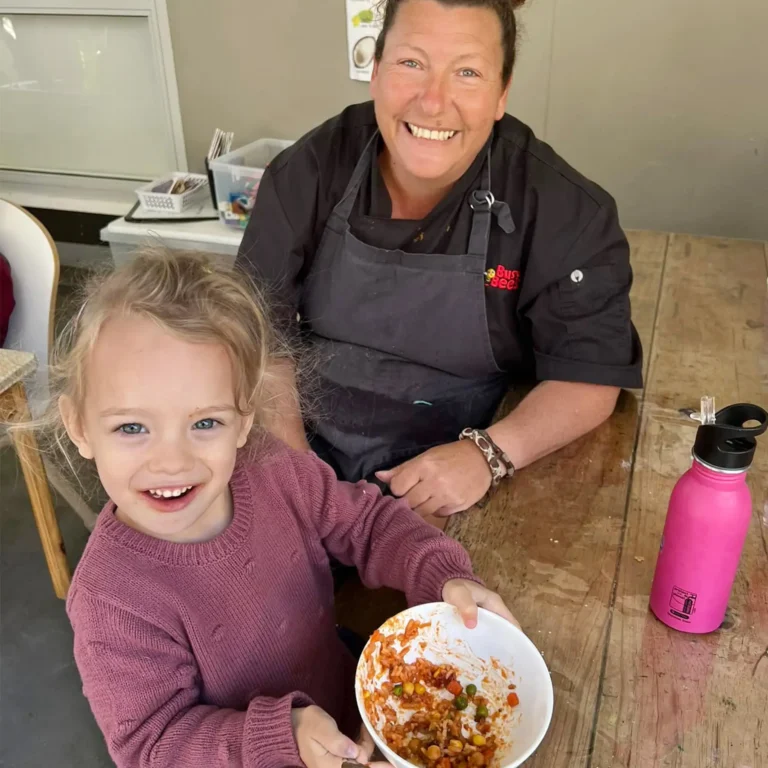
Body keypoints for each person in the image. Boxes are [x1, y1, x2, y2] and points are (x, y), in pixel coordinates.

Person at [29, 249, 516, 768]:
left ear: (244, 420)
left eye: (205, 423)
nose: (171, 462)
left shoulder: (273, 472)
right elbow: (153, 747)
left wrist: (441, 576)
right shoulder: (112, 599)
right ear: (79, 426)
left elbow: (369, 524)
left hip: (361, 715)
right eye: (132, 428)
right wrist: (280, 735)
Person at [236, 0, 643, 519]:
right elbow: (260, 341)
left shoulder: (563, 210)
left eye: (468, 73)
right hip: (302, 443)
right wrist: (300, 484)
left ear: (502, 93)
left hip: (454, 477)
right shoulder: (311, 170)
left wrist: (488, 455)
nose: (433, 102)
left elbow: (589, 376)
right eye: (411, 64)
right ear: (376, 72)